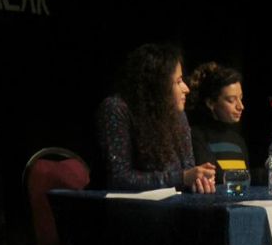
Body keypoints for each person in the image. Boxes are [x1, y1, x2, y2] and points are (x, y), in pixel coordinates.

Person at [96, 43, 216, 192]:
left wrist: (199, 179)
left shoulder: (177, 115)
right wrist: (183, 178)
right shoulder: (117, 108)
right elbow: (119, 178)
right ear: (158, 84)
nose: (186, 88)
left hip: (173, 203)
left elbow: (188, 168)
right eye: (178, 81)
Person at [187, 62, 249, 184]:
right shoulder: (197, 136)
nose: (241, 106)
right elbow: (215, 176)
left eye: (240, 98)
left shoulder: (238, 141)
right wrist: (261, 176)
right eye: (231, 100)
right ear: (211, 103)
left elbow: (244, 179)